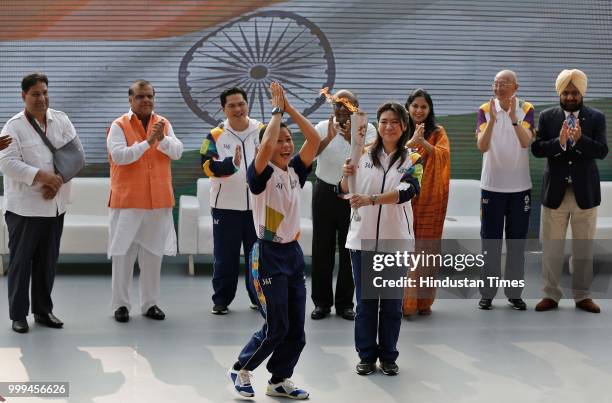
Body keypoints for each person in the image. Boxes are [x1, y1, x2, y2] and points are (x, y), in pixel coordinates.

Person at [228, 82, 319, 399]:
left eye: (288, 139)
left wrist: (290, 109)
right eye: (279, 139)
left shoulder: (295, 171)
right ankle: (241, 368)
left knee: (297, 330)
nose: (285, 144)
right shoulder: (260, 175)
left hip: (292, 254)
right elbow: (265, 147)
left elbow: (315, 139)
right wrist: (277, 111)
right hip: (266, 254)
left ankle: (279, 379)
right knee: (277, 326)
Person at [341, 102, 422, 376]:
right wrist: (346, 175)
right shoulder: (361, 154)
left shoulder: (413, 159)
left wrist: (370, 200)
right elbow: (343, 192)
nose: (389, 126)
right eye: (384, 121)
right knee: (365, 303)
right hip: (362, 238)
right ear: (378, 124)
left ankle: (388, 356)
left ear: (403, 126)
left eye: (395, 122)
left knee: (390, 303)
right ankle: (366, 355)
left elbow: (407, 192)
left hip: (395, 239)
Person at [0, 72, 83, 333]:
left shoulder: (61, 120)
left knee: (47, 261)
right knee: (21, 262)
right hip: (24, 208)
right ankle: (18, 315)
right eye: (35, 94)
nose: (42, 98)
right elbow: (7, 163)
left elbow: (75, 156)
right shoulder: (13, 127)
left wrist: (56, 181)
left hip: (55, 203)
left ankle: (43, 311)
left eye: (45, 92)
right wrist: (42, 178)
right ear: (24, 95)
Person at [532, 69, 608, 313]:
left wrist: (581, 139)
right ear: (560, 93)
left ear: (582, 93)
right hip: (555, 191)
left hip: (585, 192)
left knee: (583, 248)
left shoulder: (596, 117)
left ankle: (582, 295)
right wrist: (561, 142)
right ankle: (550, 295)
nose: (571, 96)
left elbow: (602, 151)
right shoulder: (547, 116)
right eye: (566, 92)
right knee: (552, 248)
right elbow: (537, 149)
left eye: (575, 92)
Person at [107, 79, 183, 323]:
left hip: (158, 200)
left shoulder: (163, 124)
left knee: (153, 254)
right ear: (130, 100)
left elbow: (177, 151)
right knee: (123, 254)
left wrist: (161, 140)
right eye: (140, 97)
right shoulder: (119, 125)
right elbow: (119, 156)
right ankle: (120, 306)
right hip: (128, 200)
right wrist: (148, 143)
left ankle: (150, 304)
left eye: (150, 96)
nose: (146, 100)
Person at [310, 89, 376, 321]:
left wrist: (351, 137)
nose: (342, 109)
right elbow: (309, 155)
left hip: (352, 195)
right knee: (322, 249)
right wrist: (328, 136)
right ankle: (321, 303)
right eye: (338, 104)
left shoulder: (367, 129)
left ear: (356, 108)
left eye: (348, 105)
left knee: (350, 250)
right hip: (325, 192)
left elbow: (369, 159)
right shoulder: (320, 127)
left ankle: (345, 304)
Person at [476, 70, 535, 311]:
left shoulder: (527, 109)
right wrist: (492, 121)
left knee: (516, 244)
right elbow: (482, 145)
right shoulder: (484, 109)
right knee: (490, 243)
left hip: (520, 188)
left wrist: (511, 118)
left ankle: (514, 294)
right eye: (496, 83)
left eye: (504, 84)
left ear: (516, 87)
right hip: (492, 187)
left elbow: (525, 141)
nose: (498, 88)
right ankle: (487, 294)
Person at [200, 87, 261, 314]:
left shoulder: (262, 130)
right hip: (225, 207)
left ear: (247, 104)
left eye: (241, 104)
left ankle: (258, 297)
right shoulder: (214, 135)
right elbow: (207, 166)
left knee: (258, 256)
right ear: (223, 108)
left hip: (258, 206)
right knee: (225, 257)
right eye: (231, 105)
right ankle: (221, 300)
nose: (237, 109)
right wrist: (231, 165)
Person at [402, 88, 450, 317]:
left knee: (426, 249)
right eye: (415, 106)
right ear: (408, 107)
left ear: (429, 110)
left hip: (430, 199)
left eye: (423, 106)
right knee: (405, 248)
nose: (419, 110)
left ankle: (421, 302)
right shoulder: (399, 128)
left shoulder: (438, 131)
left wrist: (423, 142)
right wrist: (411, 142)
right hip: (403, 199)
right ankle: (403, 302)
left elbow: (443, 155)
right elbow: (392, 156)